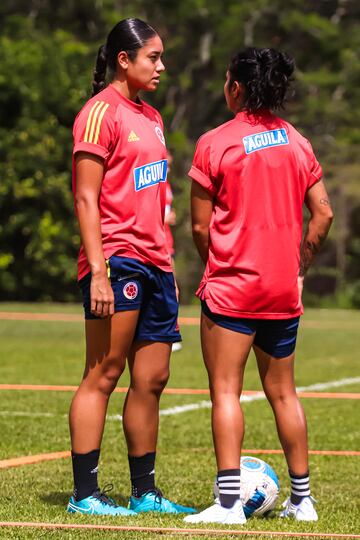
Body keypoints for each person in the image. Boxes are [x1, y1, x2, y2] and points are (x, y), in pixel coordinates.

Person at [184, 47, 333, 525]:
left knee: (226, 392)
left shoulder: (214, 142)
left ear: (237, 87)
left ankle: (229, 505)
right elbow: (323, 213)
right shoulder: (297, 141)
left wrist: (216, 266)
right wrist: (300, 264)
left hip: (232, 289)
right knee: (284, 393)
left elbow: (200, 228)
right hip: (281, 292)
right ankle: (302, 501)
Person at [68, 17, 195, 517]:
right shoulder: (99, 113)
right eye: (154, 57)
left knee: (153, 377)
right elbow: (85, 196)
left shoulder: (153, 117)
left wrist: (166, 246)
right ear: (125, 59)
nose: (162, 66)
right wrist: (98, 270)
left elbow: (156, 193)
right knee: (104, 373)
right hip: (117, 261)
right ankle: (85, 495)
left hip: (156, 264)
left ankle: (145, 492)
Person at [164, 151, 182, 352]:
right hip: (156, 241)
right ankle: (170, 332)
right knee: (171, 288)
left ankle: (171, 331)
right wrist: (163, 219)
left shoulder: (166, 185)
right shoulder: (154, 183)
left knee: (172, 288)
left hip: (167, 241)